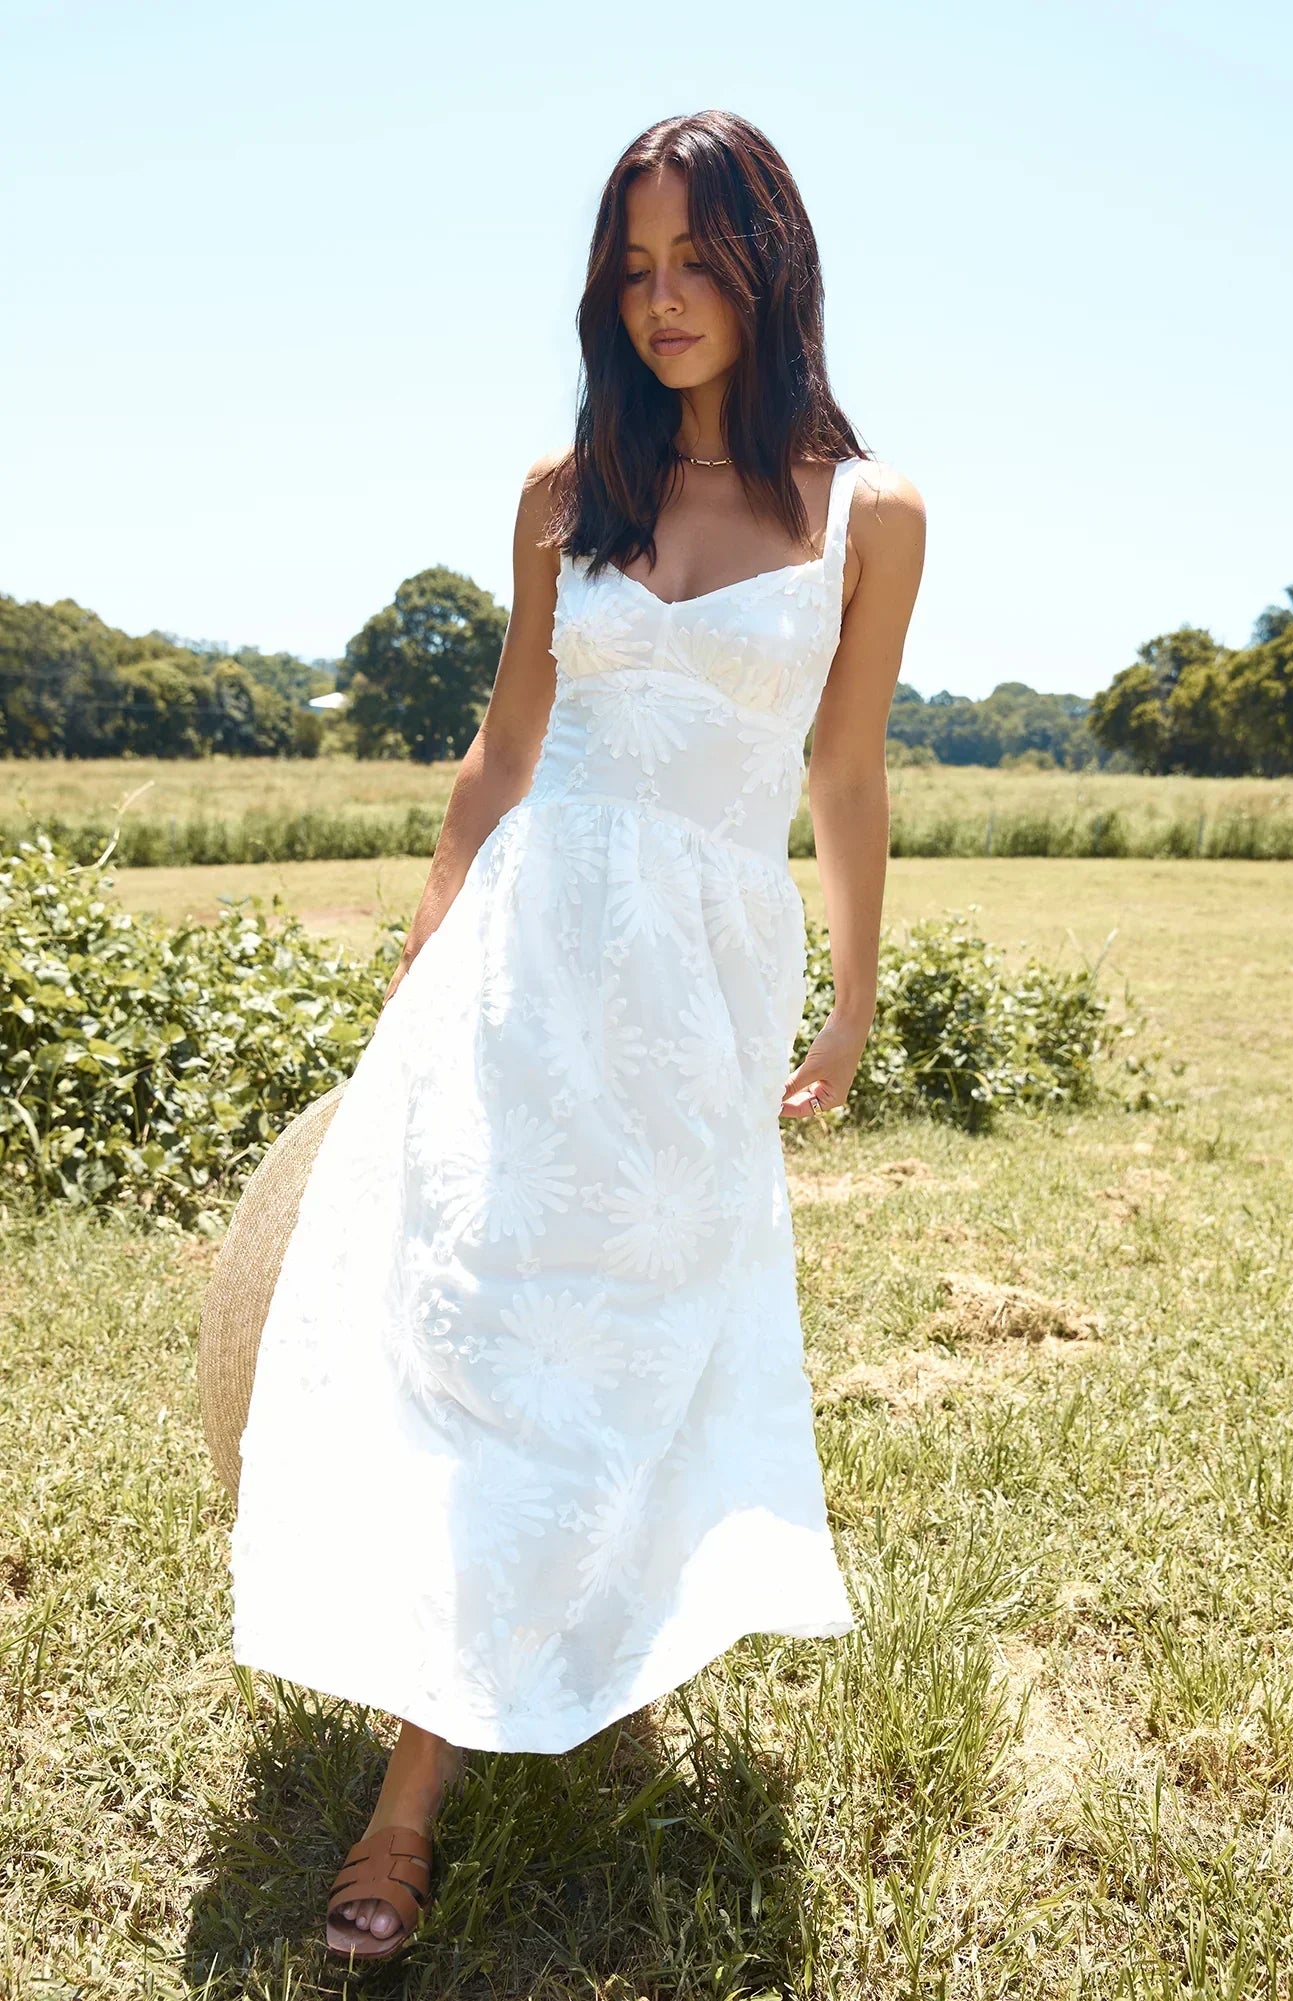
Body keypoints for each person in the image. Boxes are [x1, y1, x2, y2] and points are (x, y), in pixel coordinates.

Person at [228, 107, 926, 1962]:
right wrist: (422, 953)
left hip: (703, 975)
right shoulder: (565, 492)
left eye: (697, 260)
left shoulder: (870, 514)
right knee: (489, 1330)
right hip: (529, 951)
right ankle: (402, 1808)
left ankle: (597, 1651)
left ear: (770, 269)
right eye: (632, 268)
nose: (662, 299)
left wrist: (856, 995)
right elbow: (504, 748)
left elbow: (844, 772)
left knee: (642, 1330)